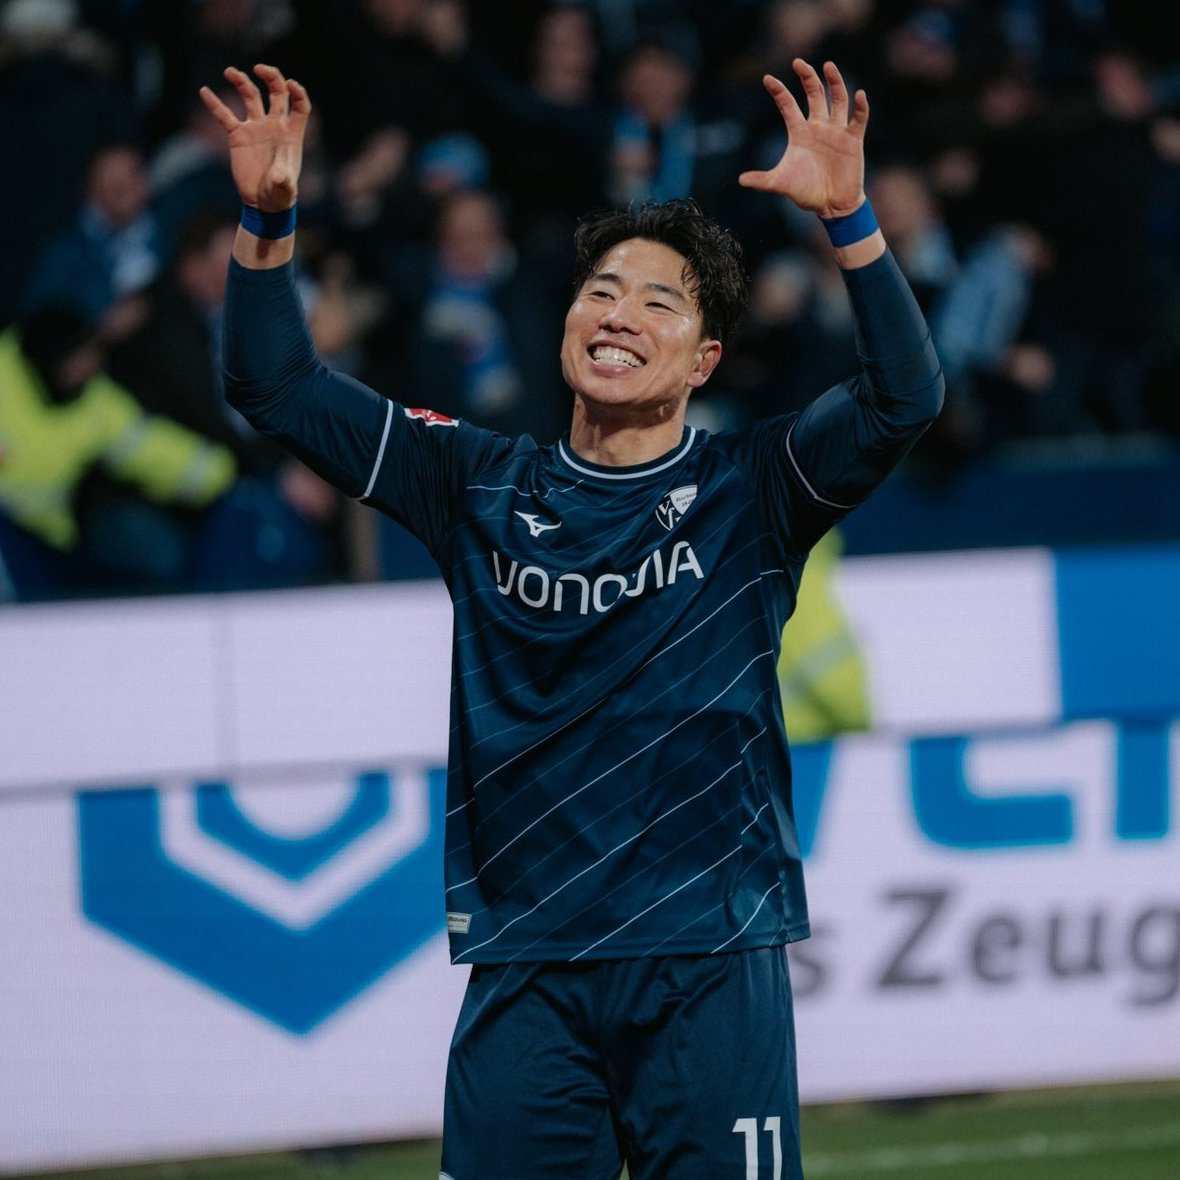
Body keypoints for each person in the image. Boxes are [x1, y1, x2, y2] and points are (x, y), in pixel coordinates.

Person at [200, 55, 943, 1179]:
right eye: (600, 289)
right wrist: (268, 221)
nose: (616, 312)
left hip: (707, 959)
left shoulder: (757, 489)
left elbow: (904, 396)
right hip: (527, 965)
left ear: (701, 361)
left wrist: (849, 220)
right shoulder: (472, 480)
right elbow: (276, 385)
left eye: (657, 300)